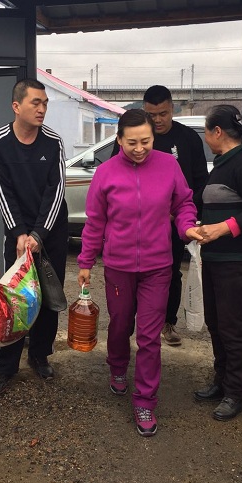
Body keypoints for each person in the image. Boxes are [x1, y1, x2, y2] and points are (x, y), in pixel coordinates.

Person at [78, 109, 202, 437]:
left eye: (145, 141)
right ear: (119, 140)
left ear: (152, 138)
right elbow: (95, 222)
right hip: (118, 266)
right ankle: (118, 366)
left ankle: (145, 399)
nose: (139, 148)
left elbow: (184, 203)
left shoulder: (168, 165)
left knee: (149, 336)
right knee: (120, 324)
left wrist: (187, 227)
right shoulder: (105, 173)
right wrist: (85, 262)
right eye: (131, 142)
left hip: (158, 267)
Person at [0, 78, 68, 394]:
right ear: (16, 106)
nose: (42, 108)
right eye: (36, 102)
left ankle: (40, 354)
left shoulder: (54, 142)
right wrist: (20, 233)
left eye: (45, 103)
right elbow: (2, 191)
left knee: (47, 294)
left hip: (50, 231)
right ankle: (5, 366)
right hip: (17, 234)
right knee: (14, 298)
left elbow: (56, 191)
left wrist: (39, 234)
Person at [112, 85, 208, 347]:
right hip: (135, 227)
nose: (157, 120)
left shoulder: (188, 138)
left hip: (175, 225)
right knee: (130, 276)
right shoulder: (137, 138)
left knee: (171, 273)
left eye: (163, 114)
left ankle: (167, 321)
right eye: (151, 114)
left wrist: (181, 216)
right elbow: (115, 173)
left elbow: (200, 184)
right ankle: (129, 323)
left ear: (172, 109)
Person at [194, 105, 242, 421]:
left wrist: (222, 228)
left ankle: (237, 393)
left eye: (206, 130)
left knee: (233, 329)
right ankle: (222, 381)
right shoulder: (222, 164)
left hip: (239, 263)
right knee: (216, 325)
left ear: (217, 132)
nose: (205, 137)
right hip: (217, 260)